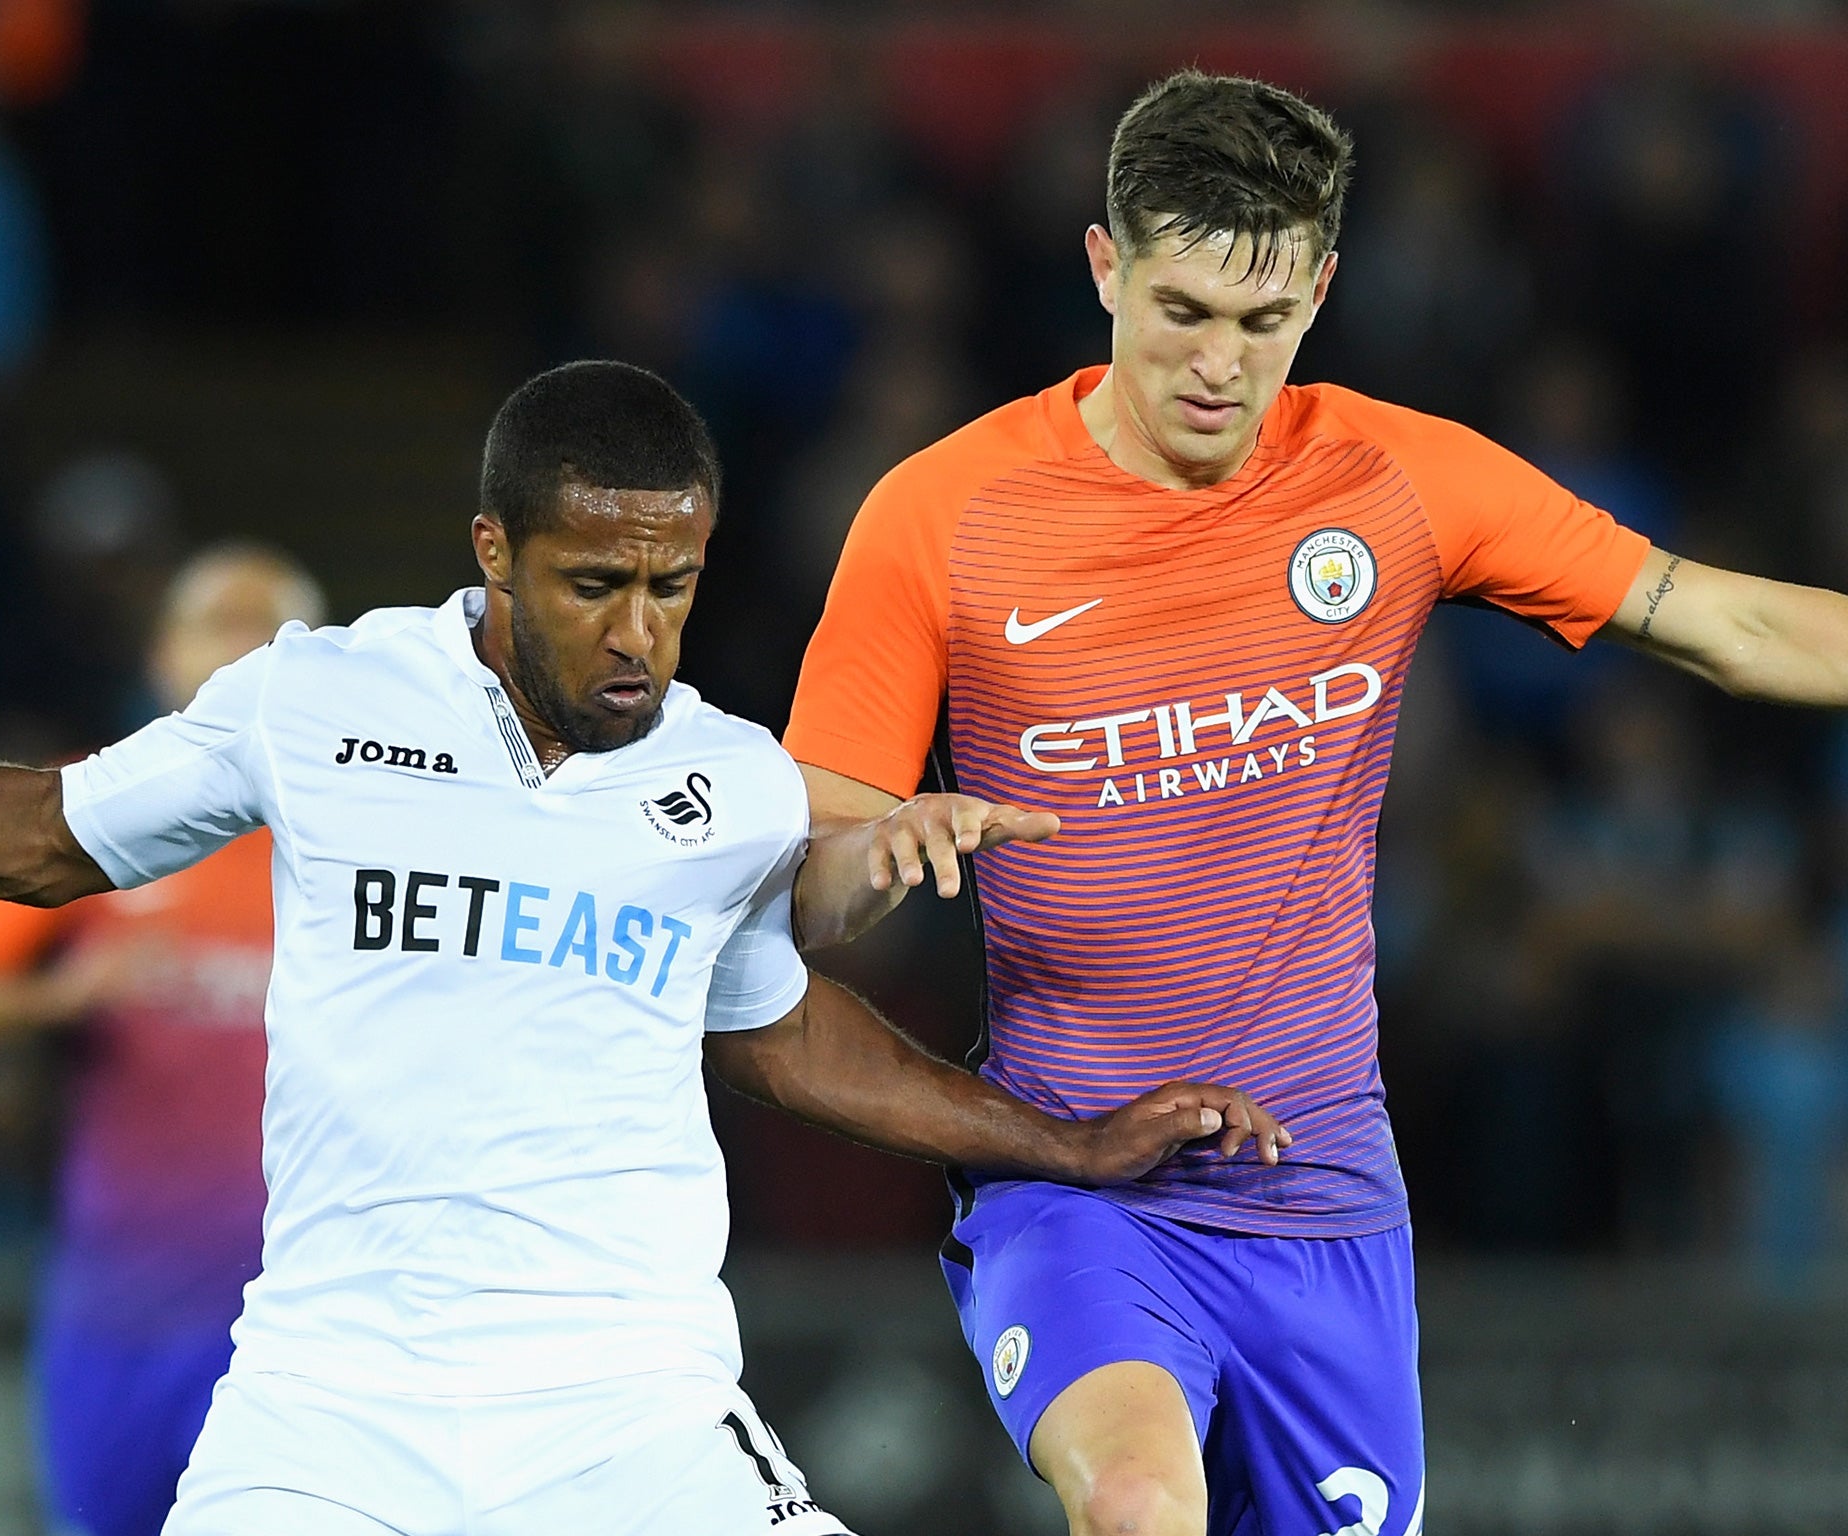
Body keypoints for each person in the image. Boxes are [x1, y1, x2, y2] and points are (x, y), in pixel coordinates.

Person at [0, 359, 1284, 1536]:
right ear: (495, 552)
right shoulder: (312, 700)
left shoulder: (730, 782)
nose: (639, 635)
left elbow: (778, 1032)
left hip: (627, 1406)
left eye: (674, 587)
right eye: (594, 586)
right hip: (332, 1405)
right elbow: (27, 838)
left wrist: (1063, 1144)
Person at [782, 69, 1848, 1536]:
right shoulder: (940, 515)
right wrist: (878, 858)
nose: (1220, 365)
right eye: (1183, 312)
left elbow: (1718, 621)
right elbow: (802, 894)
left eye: (1264, 322)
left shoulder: (1396, 478)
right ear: (1105, 265)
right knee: (1140, 1502)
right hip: (1075, 1176)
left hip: (1320, 1194)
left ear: (1323, 292)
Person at [0, 544, 326, 1536]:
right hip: (117, 1313)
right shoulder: (93, 808)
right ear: (163, 654)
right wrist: (60, 999)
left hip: (301, 1327)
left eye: (267, 629)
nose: (238, 649)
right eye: (215, 622)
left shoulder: (364, 840)